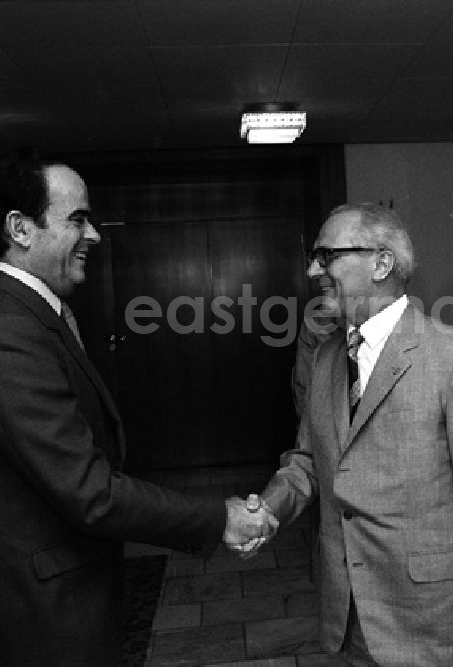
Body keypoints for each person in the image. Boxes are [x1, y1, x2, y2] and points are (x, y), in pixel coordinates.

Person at [0, 148, 277, 665]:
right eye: (78, 220)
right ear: (20, 228)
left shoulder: (36, 313)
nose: (94, 236)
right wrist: (219, 518)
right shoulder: (10, 329)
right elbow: (87, 490)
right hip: (44, 613)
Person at [251, 203, 453, 665]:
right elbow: (307, 461)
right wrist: (268, 512)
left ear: (381, 263)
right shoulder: (326, 359)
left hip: (433, 625)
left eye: (327, 255)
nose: (312, 269)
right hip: (351, 618)